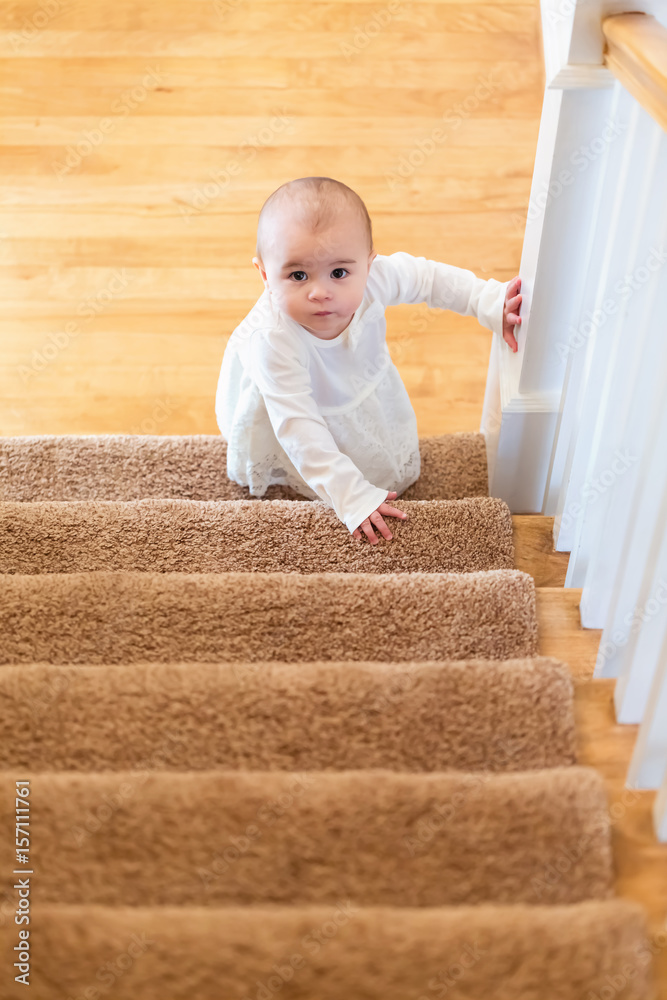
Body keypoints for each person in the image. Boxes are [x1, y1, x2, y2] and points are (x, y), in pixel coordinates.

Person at [215, 176, 522, 545]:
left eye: (339, 273)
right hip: (289, 401)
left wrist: (488, 301)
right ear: (265, 275)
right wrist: (352, 497)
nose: (320, 292)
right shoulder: (273, 342)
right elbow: (299, 427)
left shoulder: (378, 279)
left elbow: (429, 279)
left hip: (357, 380)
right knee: (303, 442)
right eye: (297, 275)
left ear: (368, 264)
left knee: (367, 436)